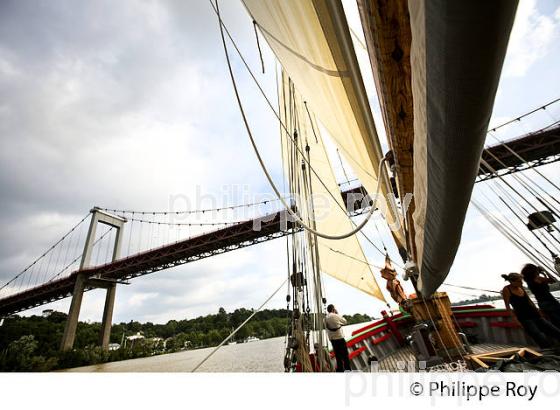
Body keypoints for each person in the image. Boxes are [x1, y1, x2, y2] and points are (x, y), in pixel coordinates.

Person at [501, 272, 560, 348]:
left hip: (535, 314)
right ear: (512, 282)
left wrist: (538, 311)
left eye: (521, 280)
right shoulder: (507, 289)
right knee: (538, 336)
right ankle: (549, 351)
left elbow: (529, 300)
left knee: (554, 330)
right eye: (519, 281)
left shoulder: (521, 287)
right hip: (524, 318)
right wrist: (515, 320)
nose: (521, 283)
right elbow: (507, 306)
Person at [521, 263, 560, 329]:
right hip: (550, 302)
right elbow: (553, 280)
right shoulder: (538, 278)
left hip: (541, 304)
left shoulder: (528, 281)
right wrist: (544, 272)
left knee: (555, 322)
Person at [325, 304, 351, 372]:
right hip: (340, 339)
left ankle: (340, 370)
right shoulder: (335, 315)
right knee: (345, 356)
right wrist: (337, 313)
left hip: (333, 341)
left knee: (338, 357)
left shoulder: (325, 318)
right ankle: (348, 371)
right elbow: (345, 322)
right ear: (333, 309)